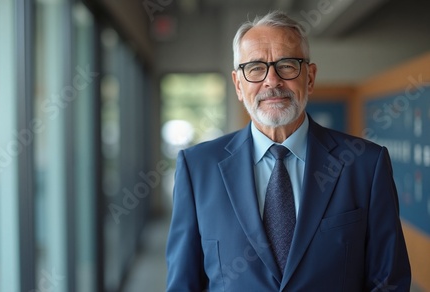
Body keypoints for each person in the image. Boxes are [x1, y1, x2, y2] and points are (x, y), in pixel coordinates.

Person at [165, 10, 411, 291]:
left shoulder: (366, 164)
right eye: (256, 67)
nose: (272, 81)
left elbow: (388, 282)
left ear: (310, 77)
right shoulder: (197, 168)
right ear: (237, 84)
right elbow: (183, 284)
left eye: (287, 65)